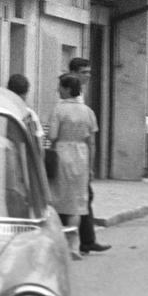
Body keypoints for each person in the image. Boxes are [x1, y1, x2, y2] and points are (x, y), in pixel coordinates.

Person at [47, 73, 98, 258]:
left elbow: (52, 135)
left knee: (58, 198)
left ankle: (59, 243)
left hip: (62, 153)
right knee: (77, 202)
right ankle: (73, 245)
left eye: (60, 86)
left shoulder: (58, 110)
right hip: (81, 156)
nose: (57, 90)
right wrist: (91, 166)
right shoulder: (87, 111)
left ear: (67, 89)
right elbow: (91, 141)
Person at [66, 57, 110, 254]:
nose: (89, 76)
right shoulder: (67, 93)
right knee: (80, 197)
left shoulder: (79, 94)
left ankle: (87, 239)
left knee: (83, 197)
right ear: (75, 73)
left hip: (77, 153)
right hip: (72, 154)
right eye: (85, 72)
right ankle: (83, 240)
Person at [6, 73, 44, 146]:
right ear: (25, 93)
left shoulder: (1, 111)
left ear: (8, 90)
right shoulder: (28, 115)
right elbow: (38, 139)